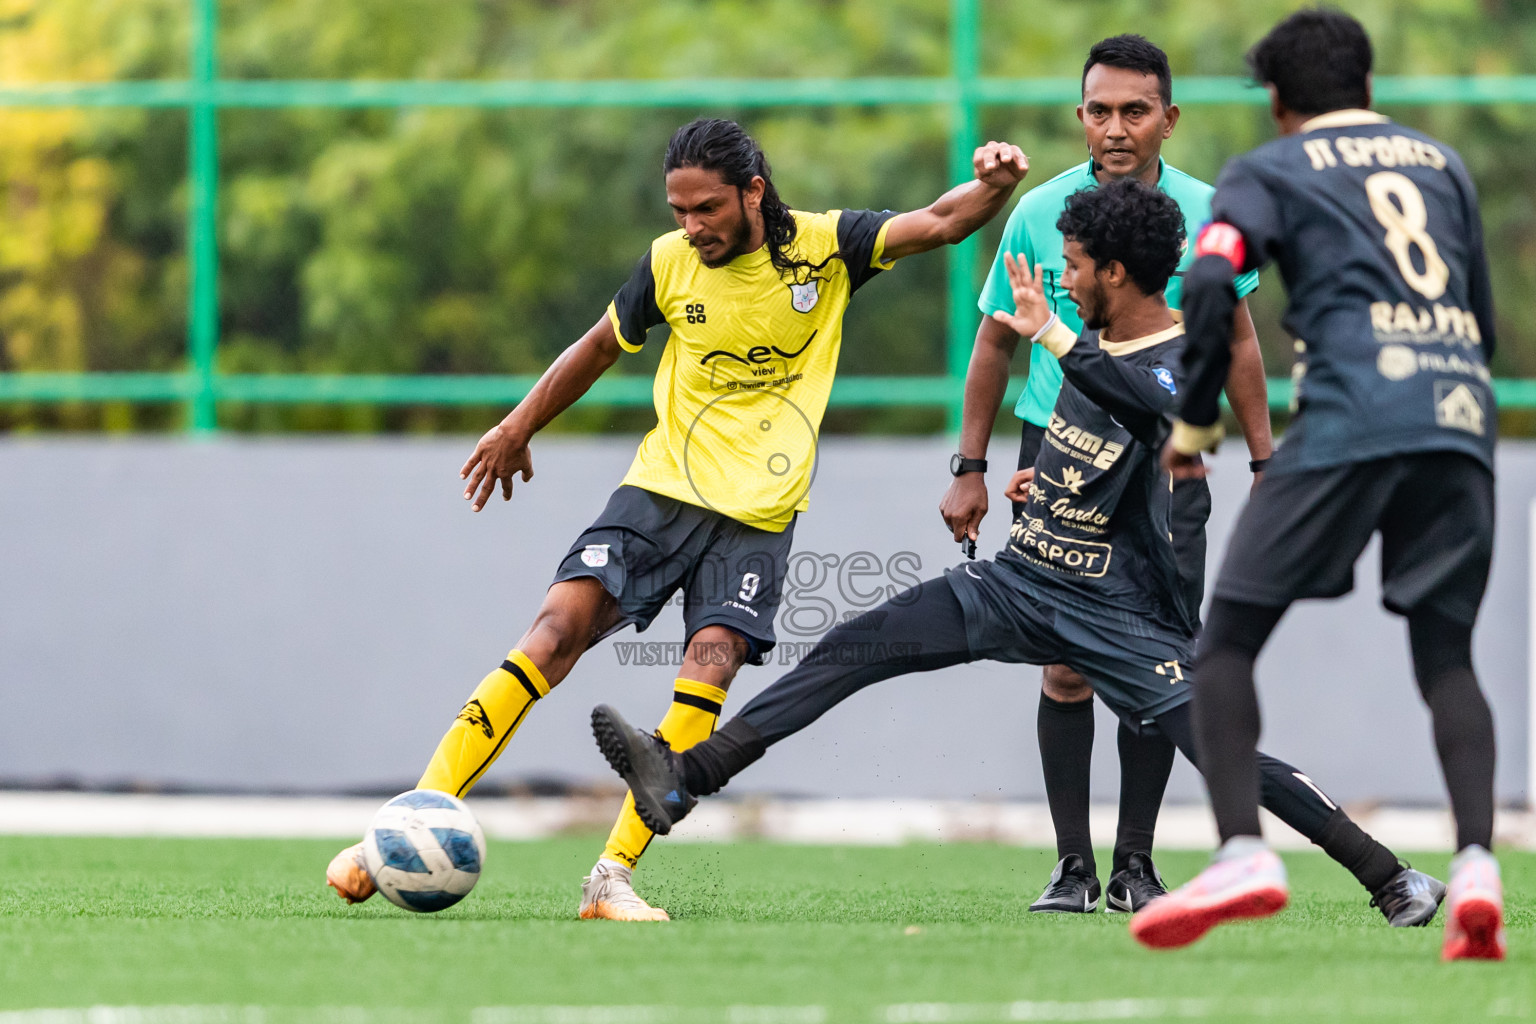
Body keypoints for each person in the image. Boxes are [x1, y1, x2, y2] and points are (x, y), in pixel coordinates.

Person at [591, 178, 1443, 931]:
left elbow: (1154, 415)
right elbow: (1103, 437)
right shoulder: (1095, 343)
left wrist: (1057, 339)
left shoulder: (1185, 351)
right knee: (857, 644)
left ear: (1113, 272)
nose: (1065, 283)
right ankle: (684, 779)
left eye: (1075, 267)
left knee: (1225, 751)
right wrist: (1046, 479)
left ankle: (1392, 876)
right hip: (1021, 579)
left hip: (1115, 613)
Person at [323, 117, 1031, 921]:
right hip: (660, 492)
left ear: (753, 191)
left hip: (758, 515)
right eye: (679, 211)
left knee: (711, 662)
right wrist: (517, 425)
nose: (692, 228)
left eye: (706, 210)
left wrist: (996, 184)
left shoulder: (826, 248)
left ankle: (611, 878)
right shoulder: (668, 264)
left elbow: (940, 221)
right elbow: (597, 345)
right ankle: (409, 820)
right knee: (552, 635)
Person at [1139, 10, 1503, 960]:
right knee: (1447, 656)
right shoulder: (1444, 165)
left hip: (1351, 415)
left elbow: (1210, 284)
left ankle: (1243, 852)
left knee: (1223, 648)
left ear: (1277, 99)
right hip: (1462, 417)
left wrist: (1198, 416)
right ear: (1367, 86)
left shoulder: (1269, 169)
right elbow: (1481, 313)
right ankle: (1476, 865)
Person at [940, 34, 1274, 915]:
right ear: (1079, 116)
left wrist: (1267, 456)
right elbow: (993, 344)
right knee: (1062, 665)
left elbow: (1239, 342)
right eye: (1099, 110)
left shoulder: (1211, 213)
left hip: (1169, 461)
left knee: (1157, 664)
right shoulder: (1038, 210)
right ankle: (1071, 867)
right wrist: (970, 468)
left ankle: (1136, 863)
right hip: (1056, 456)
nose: (1116, 127)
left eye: (1135, 110)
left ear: (1169, 118)